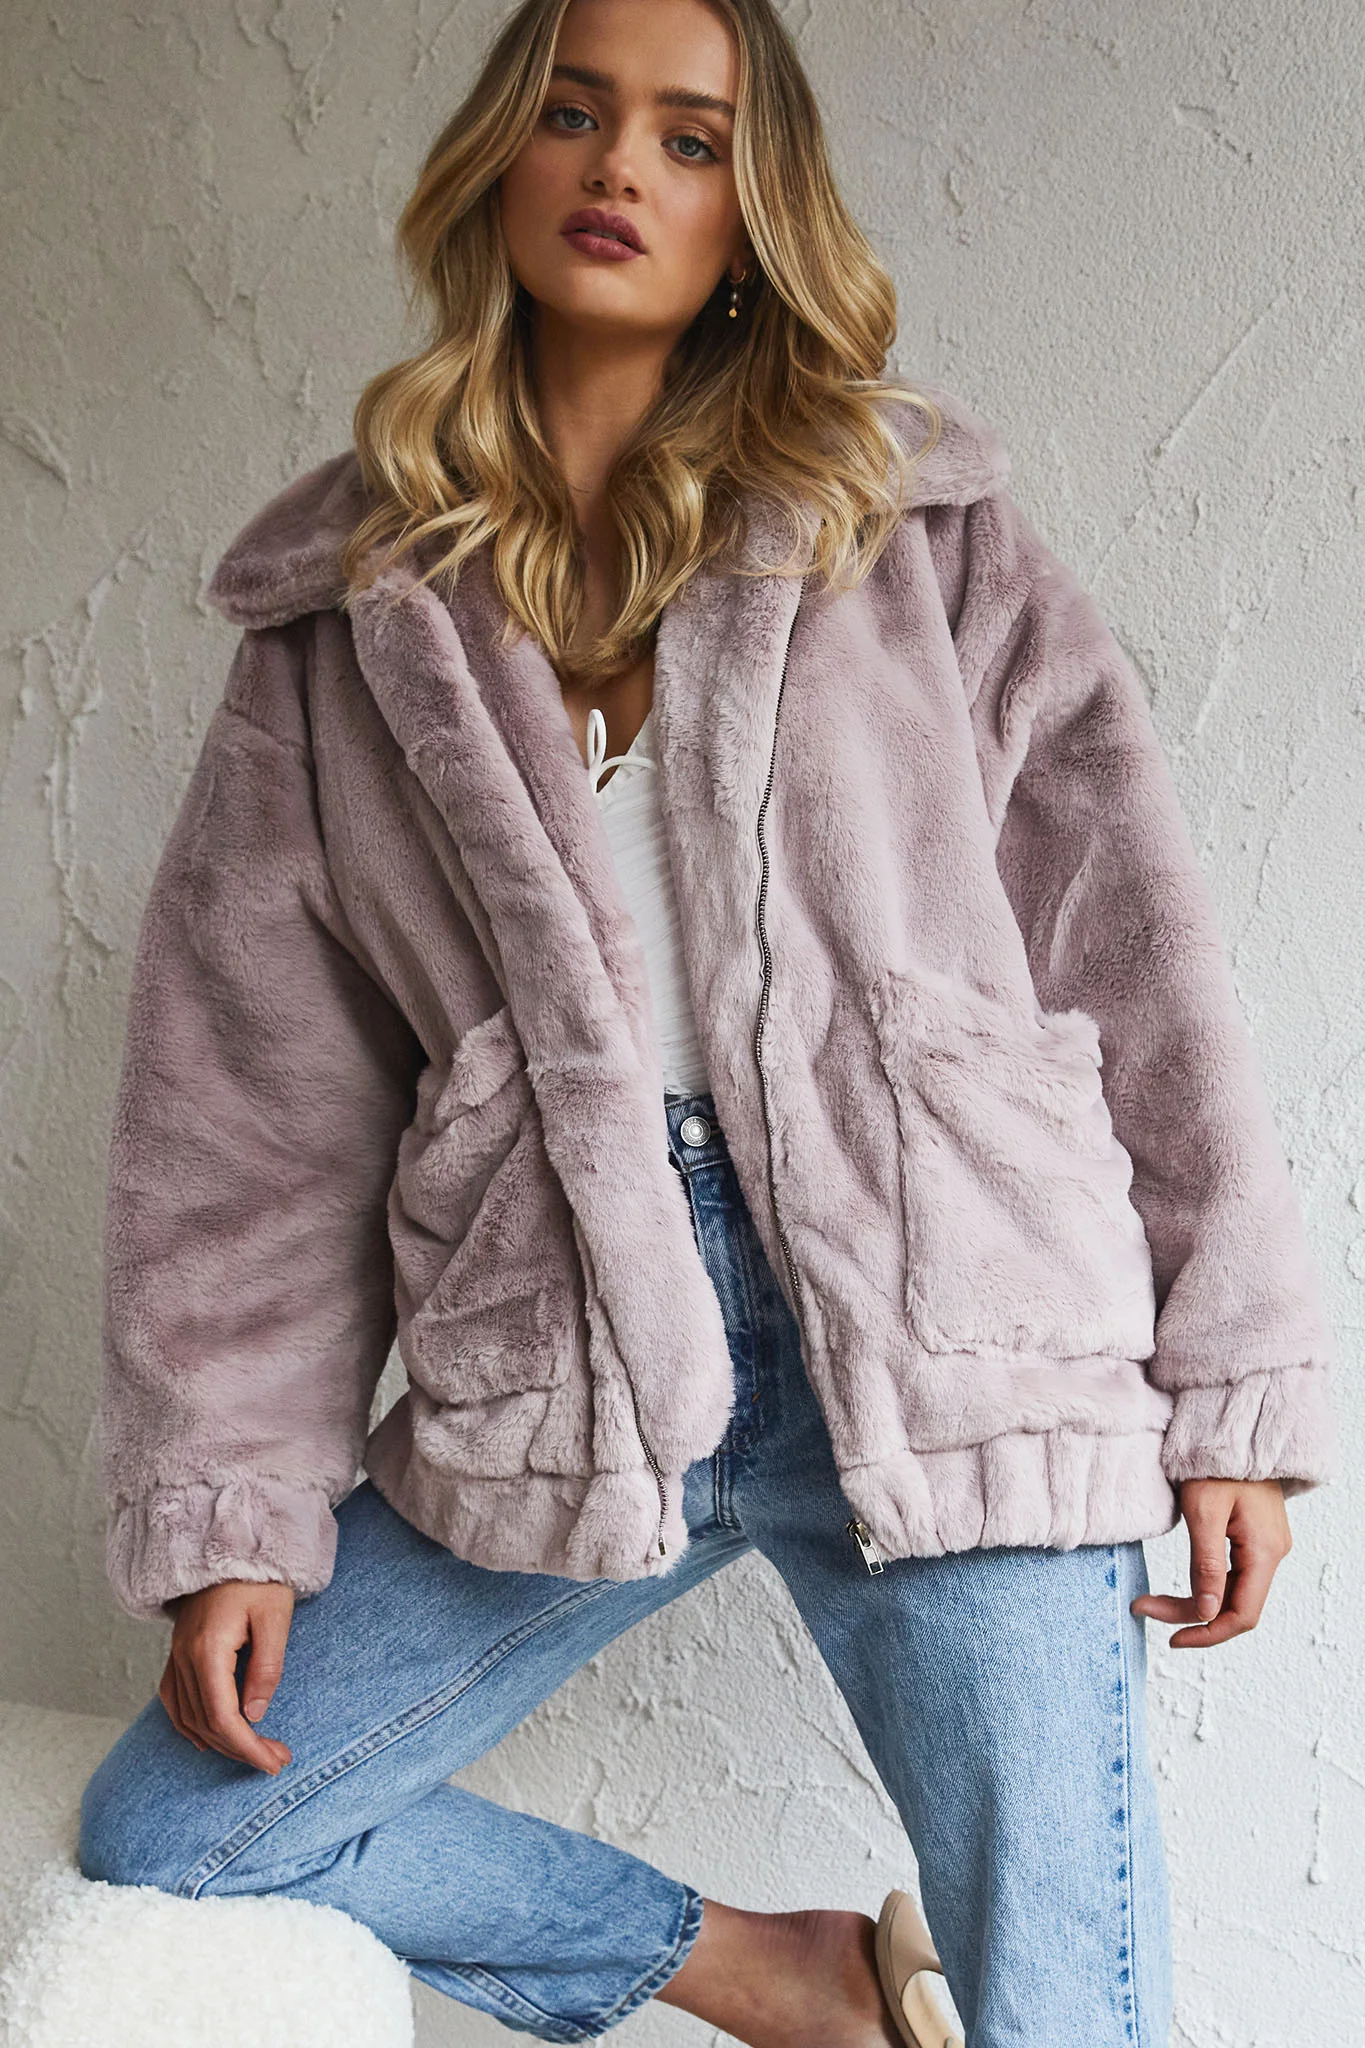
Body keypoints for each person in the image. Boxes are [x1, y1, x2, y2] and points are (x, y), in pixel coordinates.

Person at [77, 1, 1337, 2043]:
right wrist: (236, 1503)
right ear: (498, 158)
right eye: (572, 114)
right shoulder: (344, 620)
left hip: (957, 1330)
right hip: (563, 1353)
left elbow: (1132, 958)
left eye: (686, 137)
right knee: (181, 1822)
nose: (618, 168)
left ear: (752, 209)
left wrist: (1228, 1396)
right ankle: (769, 1971)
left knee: (1062, 2013)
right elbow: (247, 1110)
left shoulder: (914, 532)